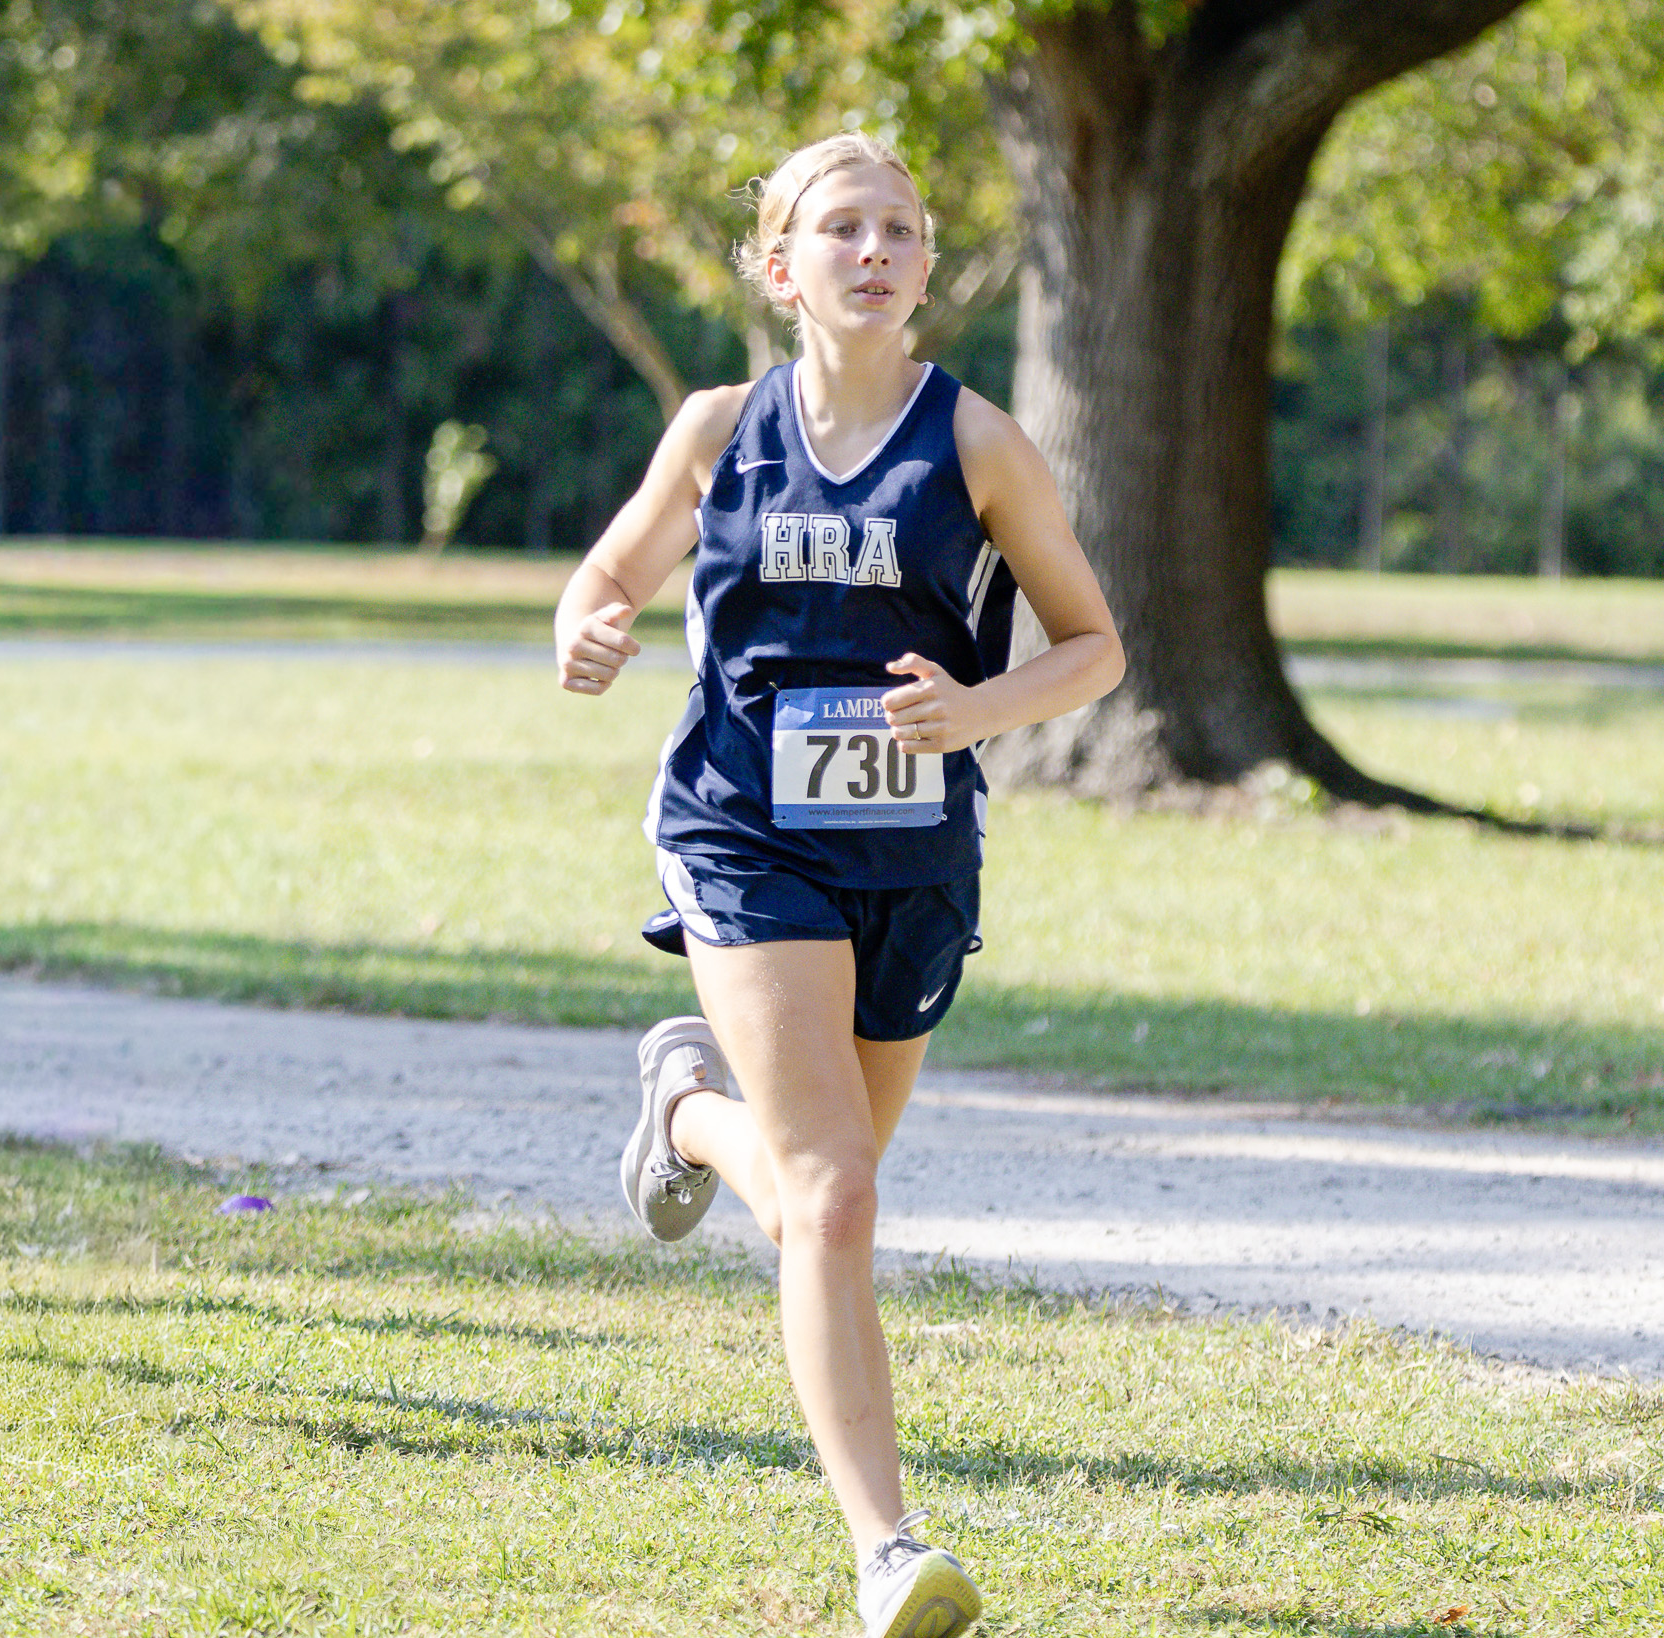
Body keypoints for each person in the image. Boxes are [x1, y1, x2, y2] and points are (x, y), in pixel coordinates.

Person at [554, 131, 1122, 1638]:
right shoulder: (718, 432)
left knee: (823, 1203)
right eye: (842, 229)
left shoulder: (980, 444)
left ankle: (682, 1109)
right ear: (780, 265)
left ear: (927, 267)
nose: (873, 251)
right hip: (746, 828)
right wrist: (589, 628)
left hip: (915, 853)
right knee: (839, 1194)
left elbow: (1094, 645)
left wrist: (975, 710)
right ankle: (890, 1550)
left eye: (901, 231)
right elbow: (606, 577)